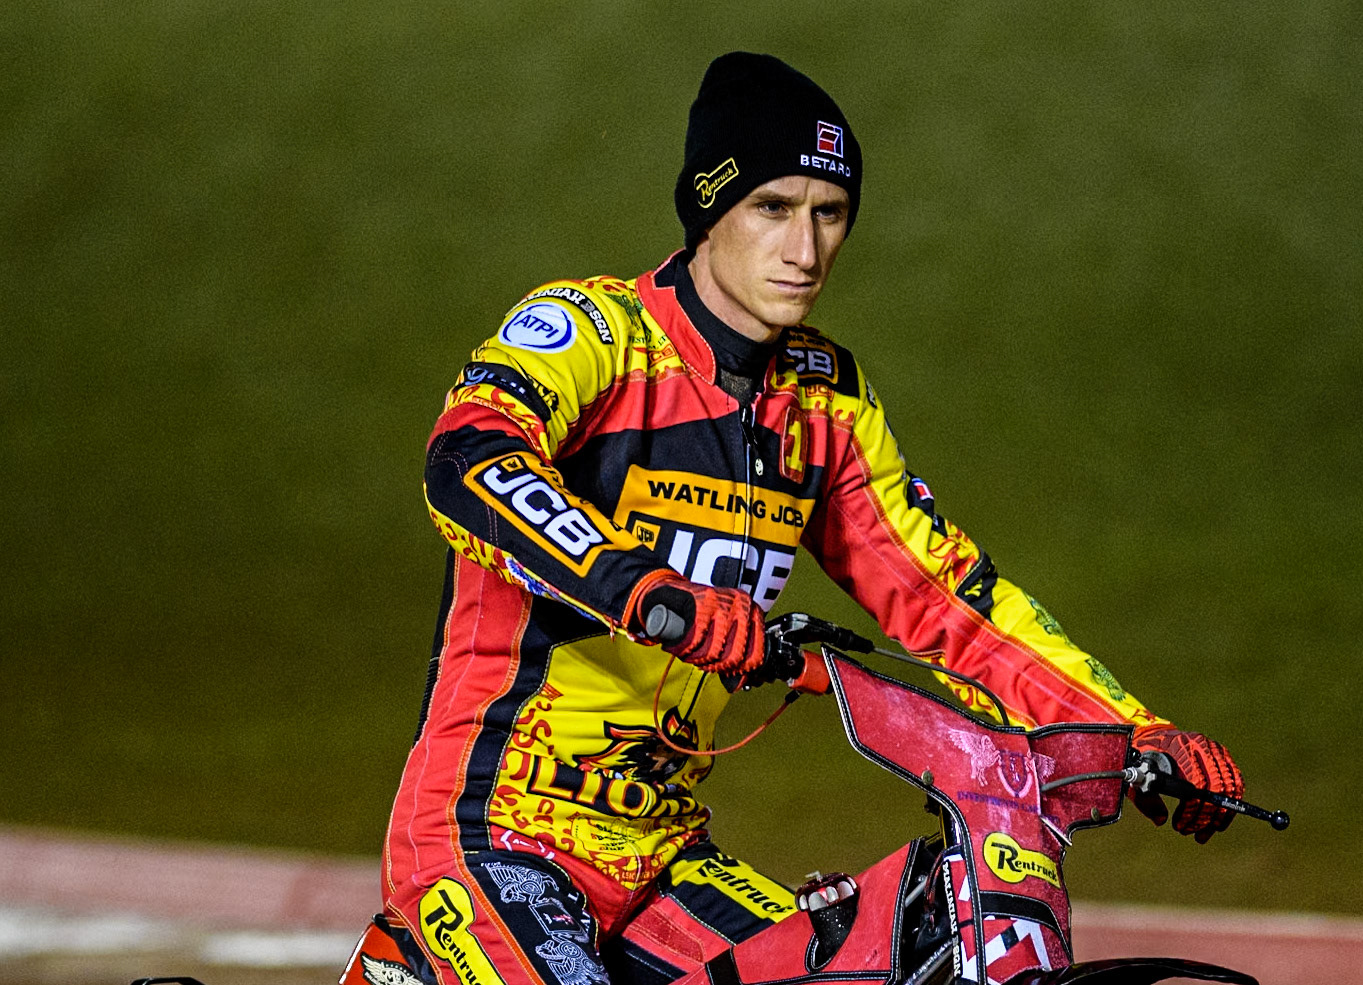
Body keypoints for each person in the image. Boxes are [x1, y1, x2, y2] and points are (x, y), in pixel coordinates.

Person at [350, 52, 1244, 985]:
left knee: (880, 969)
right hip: (492, 835)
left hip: (660, 858)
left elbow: (949, 603)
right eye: (771, 208)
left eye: (830, 213)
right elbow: (469, 460)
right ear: (708, 210)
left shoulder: (826, 404)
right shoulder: (593, 332)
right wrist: (653, 594)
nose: (805, 249)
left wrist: (1135, 734)